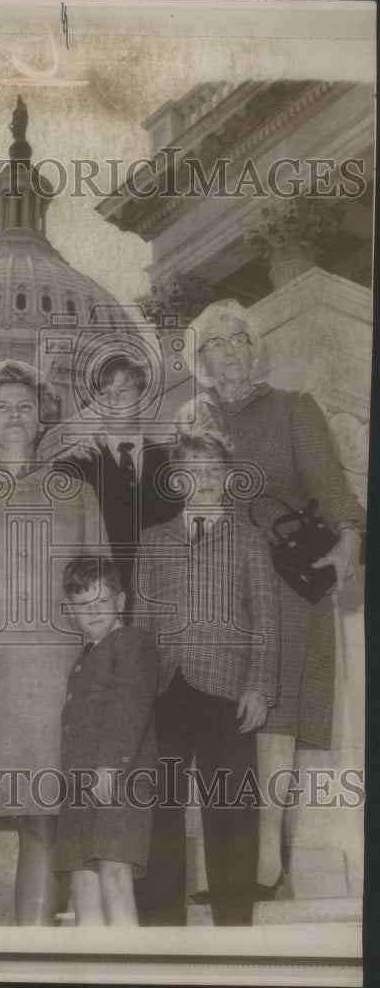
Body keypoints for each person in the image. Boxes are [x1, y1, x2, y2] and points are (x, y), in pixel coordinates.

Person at [180, 299, 365, 894]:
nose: (230, 351)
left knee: (274, 724)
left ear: (254, 348)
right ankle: (210, 863)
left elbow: (331, 487)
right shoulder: (189, 419)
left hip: (284, 584)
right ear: (202, 359)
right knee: (211, 716)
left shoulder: (292, 409)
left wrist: (349, 539)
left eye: (239, 339)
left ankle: (267, 860)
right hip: (213, 586)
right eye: (216, 343)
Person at [0, 359, 108, 926]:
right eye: (2, 405)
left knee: (43, 819)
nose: (14, 415)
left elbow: (100, 593)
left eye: (25, 405)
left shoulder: (77, 494)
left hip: (54, 679)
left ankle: (31, 954)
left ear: (41, 418)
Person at [133, 433, 278, 926]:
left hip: (227, 689)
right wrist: (137, 695)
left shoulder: (250, 539)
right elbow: (141, 624)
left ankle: (234, 925)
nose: (204, 479)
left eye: (213, 469)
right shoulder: (153, 540)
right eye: (192, 470)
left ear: (228, 477)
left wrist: (259, 686)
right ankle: (160, 924)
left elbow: (266, 619)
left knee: (232, 808)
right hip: (165, 688)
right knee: (159, 808)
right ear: (177, 480)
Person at [54, 557, 157, 927]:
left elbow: (129, 704)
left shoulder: (131, 642)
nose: (92, 611)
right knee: (82, 880)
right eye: (82, 604)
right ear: (70, 611)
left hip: (120, 781)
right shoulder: (84, 658)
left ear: (121, 601)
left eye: (101, 601)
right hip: (81, 787)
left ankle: (128, 968)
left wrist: (110, 765)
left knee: (115, 874)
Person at [48, 355, 179, 595]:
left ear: (144, 398)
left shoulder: (169, 462)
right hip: (103, 605)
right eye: (103, 393)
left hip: (165, 594)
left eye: (123, 390)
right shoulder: (74, 466)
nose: (112, 400)